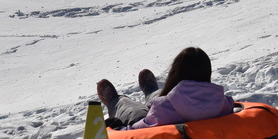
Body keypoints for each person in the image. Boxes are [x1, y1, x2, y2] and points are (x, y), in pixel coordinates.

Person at [96, 47, 235, 130]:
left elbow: (135, 131)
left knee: (134, 112)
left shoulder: (162, 108)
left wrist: (116, 128)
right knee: (160, 96)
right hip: (171, 105)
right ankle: (151, 91)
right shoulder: (224, 103)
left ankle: (116, 101)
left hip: (160, 120)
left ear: (176, 73)